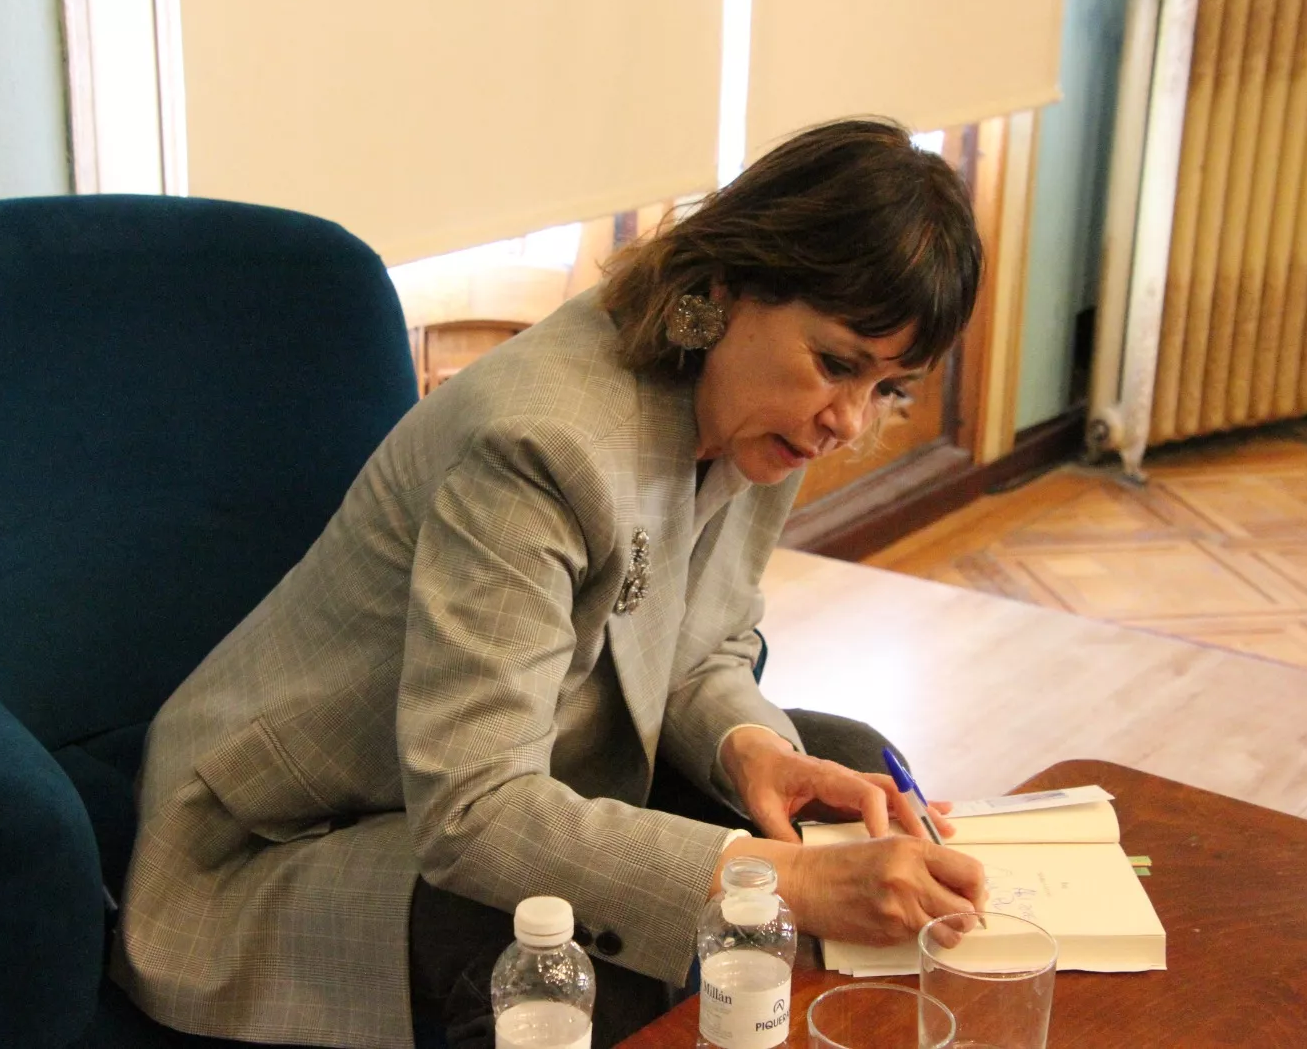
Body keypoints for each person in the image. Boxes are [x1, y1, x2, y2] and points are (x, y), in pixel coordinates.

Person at [114, 117, 988, 1049]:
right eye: (839, 365)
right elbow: (474, 813)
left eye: (889, 387)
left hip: (521, 760)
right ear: (729, 289)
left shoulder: (752, 400)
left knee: (840, 757)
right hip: (294, 837)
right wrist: (791, 881)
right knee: (570, 960)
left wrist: (746, 748)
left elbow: (701, 646)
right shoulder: (541, 444)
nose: (847, 422)